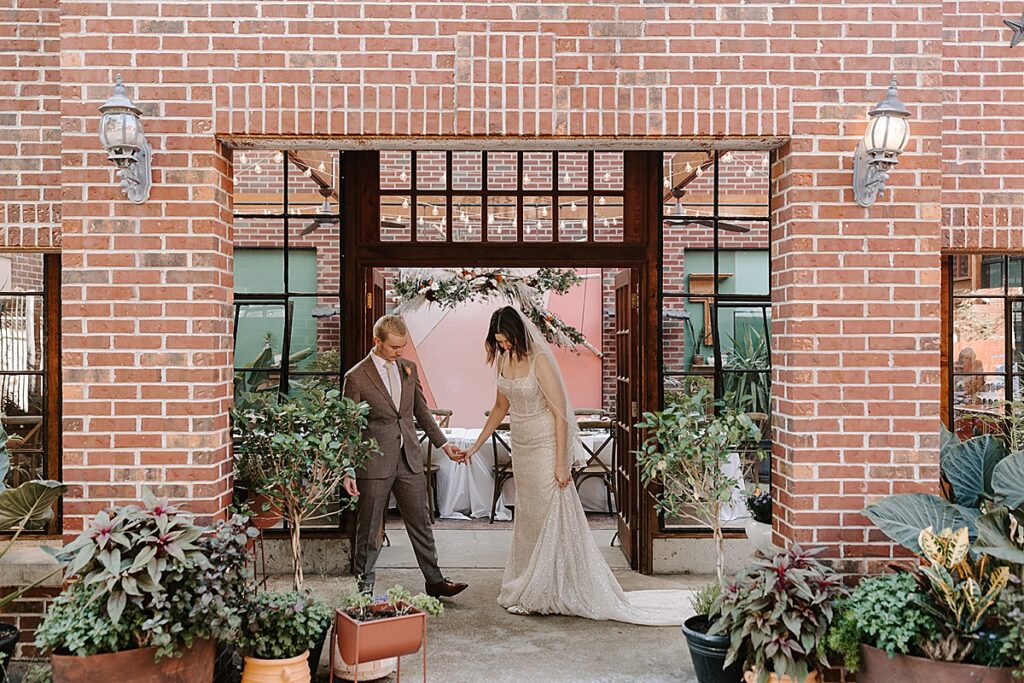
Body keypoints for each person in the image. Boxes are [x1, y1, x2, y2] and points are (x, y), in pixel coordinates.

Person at [461, 306, 692, 624]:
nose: (504, 347)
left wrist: (561, 463)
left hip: (544, 446)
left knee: (549, 517)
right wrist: (475, 445)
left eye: (508, 341)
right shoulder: (503, 358)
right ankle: (530, 583)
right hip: (522, 448)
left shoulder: (540, 360)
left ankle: (553, 587)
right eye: (499, 342)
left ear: (518, 334)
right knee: (529, 518)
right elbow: (500, 406)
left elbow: (560, 414)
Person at [342, 315, 468, 599]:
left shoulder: (408, 369)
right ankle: (363, 591)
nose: (400, 352)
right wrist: (348, 469)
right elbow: (350, 427)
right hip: (373, 463)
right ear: (377, 341)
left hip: (409, 459)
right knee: (369, 530)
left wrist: (444, 444)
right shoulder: (356, 376)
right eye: (394, 347)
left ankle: (435, 581)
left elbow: (421, 412)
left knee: (421, 522)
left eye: (403, 346)